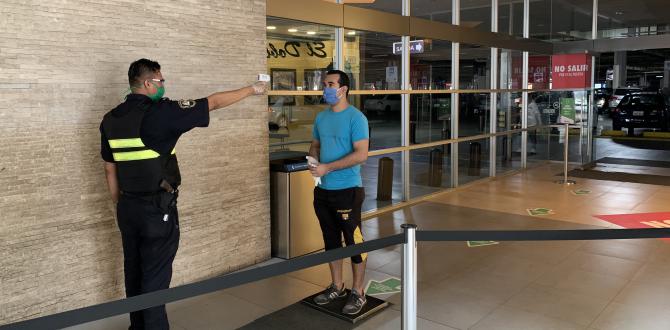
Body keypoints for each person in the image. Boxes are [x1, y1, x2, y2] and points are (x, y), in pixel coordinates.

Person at [100, 58, 266, 330]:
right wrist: (253, 89)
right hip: (156, 210)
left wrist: (121, 203)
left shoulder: (110, 119)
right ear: (148, 83)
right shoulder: (159, 112)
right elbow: (211, 103)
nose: (163, 86)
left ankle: (137, 327)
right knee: (154, 281)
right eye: (161, 81)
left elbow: (110, 169)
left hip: (127, 208)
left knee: (134, 272)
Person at [308, 70, 370, 315]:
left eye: (330, 84)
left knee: (354, 243)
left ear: (343, 89)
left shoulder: (357, 118)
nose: (326, 88)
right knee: (331, 242)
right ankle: (337, 286)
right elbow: (315, 144)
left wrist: (328, 167)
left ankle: (358, 291)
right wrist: (312, 160)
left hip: (348, 191)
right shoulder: (321, 118)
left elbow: (361, 154)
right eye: (324, 84)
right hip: (323, 191)